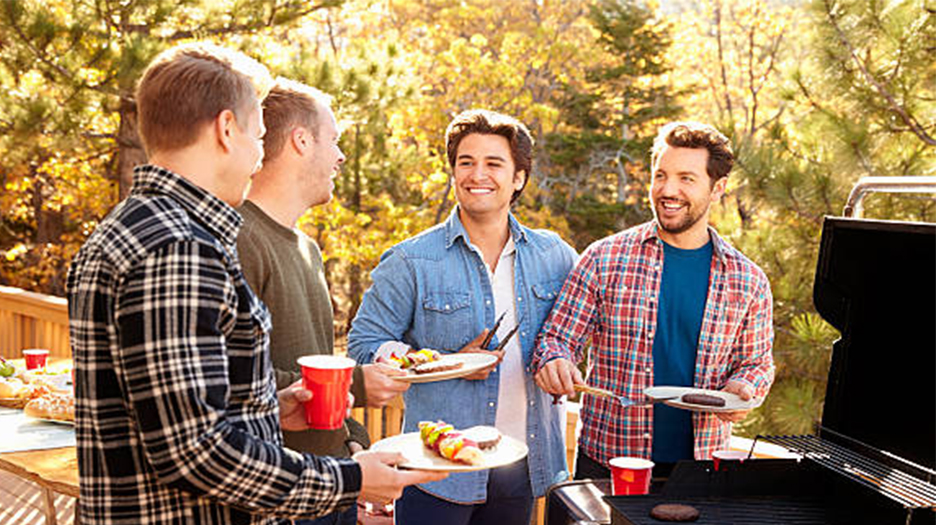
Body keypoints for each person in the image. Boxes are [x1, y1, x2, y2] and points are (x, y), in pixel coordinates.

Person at [66, 43, 443, 525]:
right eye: (259, 136)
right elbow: (193, 451)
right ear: (227, 129)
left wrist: (267, 409)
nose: (260, 154)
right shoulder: (178, 249)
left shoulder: (135, 228)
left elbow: (176, 411)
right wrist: (350, 479)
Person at [348, 109, 577, 525]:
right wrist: (440, 363)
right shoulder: (411, 259)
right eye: (466, 163)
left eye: (494, 163)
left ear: (519, 178)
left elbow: (576, 330)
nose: (477, 175)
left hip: (522, 465)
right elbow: (364, 343)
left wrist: (565, 361)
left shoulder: (555, 256)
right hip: (436, 468)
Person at [531, 121, 775, 484]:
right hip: (609, 462)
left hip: (700, 470)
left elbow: (756, 363)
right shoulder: (604, 257)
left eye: (686, 178)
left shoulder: (749, 280)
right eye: (660, 175)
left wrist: (744, 388)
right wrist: (554, 361)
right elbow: (556, 339)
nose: (668, 189)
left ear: (718, 188)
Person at [236, 78, 411, 525]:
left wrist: (352, 440)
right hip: (280, 496)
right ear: (300, 141)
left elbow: (315, 360)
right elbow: (231, 375)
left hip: (334, 483)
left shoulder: (306, 249)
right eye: (332, 140)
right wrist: (356, 384)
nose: (340, 156)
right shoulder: (239, 239)